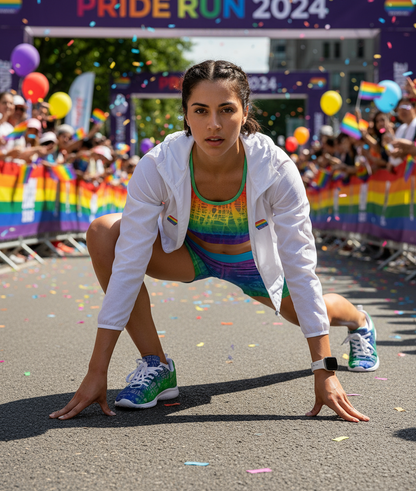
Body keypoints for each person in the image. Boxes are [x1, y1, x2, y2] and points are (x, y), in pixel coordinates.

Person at [50, 60, 378, 423]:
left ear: (245, 111)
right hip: (188, 254)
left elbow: (300, 267)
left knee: (302, 312)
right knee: (103, 232)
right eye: (201, 111)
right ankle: (156, 366)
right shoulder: (158, 165)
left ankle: (359, 319)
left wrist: (324, 370)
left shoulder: (277, 169)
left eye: (226, 110)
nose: (214, 125)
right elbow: (129, 263)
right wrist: (98, 369)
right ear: (186, 115)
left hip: (252, 263)